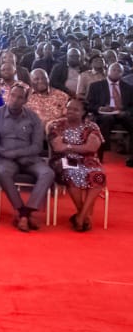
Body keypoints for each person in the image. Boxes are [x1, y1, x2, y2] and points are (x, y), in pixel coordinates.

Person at [0, 83, 53, 233]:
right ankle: (21, 210)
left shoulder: (34, 117)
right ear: (8, 96)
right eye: (13, 96)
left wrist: (16, 153)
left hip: (29, 158)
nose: (15, 100)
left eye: (20, 97)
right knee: (2, 170)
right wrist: (6, 153)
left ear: (25, 100)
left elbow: (37, 146)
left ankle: (26, 212)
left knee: (47, 173)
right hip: (5, 158)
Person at [48, 97, 105, 232]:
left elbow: (92, 148)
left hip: (88, 160)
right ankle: (84, 215)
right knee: (72, 173)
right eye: (68, 108)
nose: (70, 112)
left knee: (98, 175)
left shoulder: (92, 126)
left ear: (83, 112)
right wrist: (81, 147)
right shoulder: (57, 125)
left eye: (75, 109)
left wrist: (68, 146)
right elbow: (57, 148)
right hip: (63, 159)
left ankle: (80, 217)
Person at [84, 63, 132, 159]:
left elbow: (131, 106)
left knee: (130, 120)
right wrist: (99, 108)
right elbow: (88, 105)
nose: (116, 72)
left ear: (122, 73)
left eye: (119, 71)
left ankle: (130, 154)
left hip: (122, 114)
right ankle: (104, 152)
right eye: (113, 70)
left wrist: (126, 112)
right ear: (107, 71)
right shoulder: (96, 86)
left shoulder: (129, 88)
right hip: (103, 114)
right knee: (106, 119)